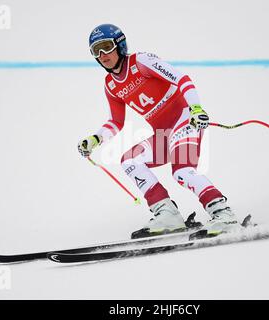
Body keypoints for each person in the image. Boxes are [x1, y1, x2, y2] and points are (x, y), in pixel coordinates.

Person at [78, 23, 240, 238]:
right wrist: (96, 139)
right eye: (95, 51)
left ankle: (223, 213)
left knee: (181, 171)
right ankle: (167, 215)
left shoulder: (141, 61)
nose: (102, 55)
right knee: (130, 161)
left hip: (184, 121)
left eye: (106, 47)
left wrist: (196, 108)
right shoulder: (110, 85)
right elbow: (116, 122)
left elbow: (181, 79)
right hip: (164, 133)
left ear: (120, 45)